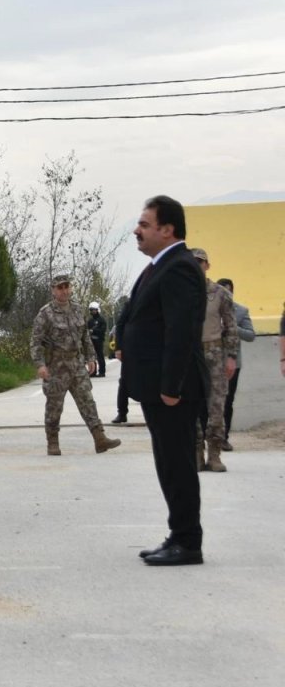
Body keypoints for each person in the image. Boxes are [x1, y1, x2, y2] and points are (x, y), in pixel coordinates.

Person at [117, 195, 207, 566]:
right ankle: (178, 534)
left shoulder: (180, 268)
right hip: (158, 388)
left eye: (144, 224)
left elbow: (180, 333)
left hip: (173, 391)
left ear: (167, 229)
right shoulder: (160, 266)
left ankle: (187, 542)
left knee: (178, 464)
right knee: (169, 464)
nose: (136, 231)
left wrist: (171, 387)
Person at [30, 275, 121, 456]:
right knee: (54, 407)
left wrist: (91, 358)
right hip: (56, 367)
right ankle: (53, 442)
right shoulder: (45, 313)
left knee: (87, 401)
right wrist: (40, 364)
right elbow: (35, 341)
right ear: (53, 290)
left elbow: (85, 336)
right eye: (60, 287)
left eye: (67, 287)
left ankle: (100, 439)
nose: (64, 291)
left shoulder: (78, 309)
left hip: (76, 365)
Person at [189, 249, 236, 472]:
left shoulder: (220, 294)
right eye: (192, 262)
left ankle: (214, 454)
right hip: (191, 355)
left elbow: (231, 326)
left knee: (216, 405)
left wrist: (231, 356)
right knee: (191, 406)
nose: (196, 266)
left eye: (200, 262)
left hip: (215, 353)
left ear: (207, 265)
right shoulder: (181, 293)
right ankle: (197, 453)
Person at [215, 278, 255, 451]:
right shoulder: (209, 309)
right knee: (207, 400)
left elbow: (250, 335)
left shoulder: (241, 311)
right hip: (211, 360)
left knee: (227, 400)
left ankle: (224, 438)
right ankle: (207, 438)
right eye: (222, 291)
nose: (226, 295)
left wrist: (231, 327)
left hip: (232, 362)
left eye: (229, 291)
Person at [87, 301, 108, 377]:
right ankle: (93, 371)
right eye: (91, 310)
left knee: (100, 356)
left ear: (97, 310)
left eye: (94, 310)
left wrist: (94, 331)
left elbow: (103, 330)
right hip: (91, 340)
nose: (93, 311)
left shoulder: (101, 320)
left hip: (99, 340)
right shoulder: (90, 321)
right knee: (92, 357)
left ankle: (102, 371)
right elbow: (87, 330)